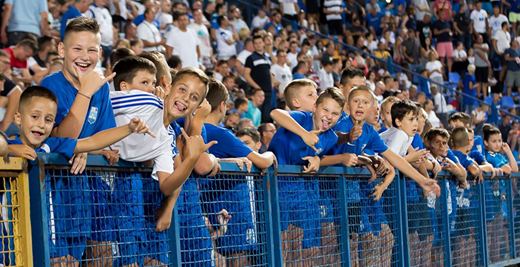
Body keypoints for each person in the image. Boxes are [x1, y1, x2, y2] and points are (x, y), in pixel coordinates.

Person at [8, 86, 153, 266]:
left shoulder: (52, 145)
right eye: (34, 117)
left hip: (45, 234)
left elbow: (91, 142)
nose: (40, 124)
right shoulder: (7, 146)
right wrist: (9, 149)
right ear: (18, 118)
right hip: (11, 237)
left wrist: (129, 128)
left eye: (48, 120)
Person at [40, 17, 119, 266]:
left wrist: (89, 147)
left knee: (103, 256)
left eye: (91, 50)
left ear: (100, 53)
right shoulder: (50, 85)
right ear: (62, 50)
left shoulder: (102, 88)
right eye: (77, 49)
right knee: (64, 261)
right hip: (60, 190)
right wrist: (85, 92)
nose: (85, 56)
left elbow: (109, 144)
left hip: (92, 188)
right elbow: (62, 138)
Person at [203, 79, 276, 267]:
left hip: (206, 206)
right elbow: (260, 161)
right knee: (237, 258)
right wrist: (270, 153)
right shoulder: (221, 133)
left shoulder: (193, 129)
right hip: (229, 210)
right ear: (222, 105)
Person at [269, 87, 344, 265]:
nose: (329, 116)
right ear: (315, 107)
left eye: (335, 113)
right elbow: (275, 113)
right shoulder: (302, 118)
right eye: (325, 110)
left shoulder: (331, 137)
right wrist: (304, 133)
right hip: (277, 187)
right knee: (281, 246)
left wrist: (318, 159)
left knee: (305, 247)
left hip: (304, 191)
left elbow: (322, 157)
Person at [482, 124, 518, 262]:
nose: (497, 144)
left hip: (498, 200)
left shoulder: (498, 155)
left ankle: (495, 261)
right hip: (490, 200)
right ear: (486, 142)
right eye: (494, 141)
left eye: (499, 141)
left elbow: (514, 168)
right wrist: (507, 160)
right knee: (490, 235)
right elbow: (510, 170)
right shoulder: (490, 156)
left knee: (496, 236)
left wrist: (508, 151)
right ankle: (489, 261)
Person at [244, 35, 273, 123]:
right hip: (257, 93)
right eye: (255, 43)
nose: (258, 45)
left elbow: (270, 73)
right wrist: (257, 88)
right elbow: (246, 75)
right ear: (253, 45)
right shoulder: (250, 58)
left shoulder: (267, 57)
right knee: (256, 117)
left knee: (266, 117)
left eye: (260, 43)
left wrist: (272, 85)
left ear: (263, 43)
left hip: (268, 91)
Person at [84, 0, 113, 67]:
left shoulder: (106, 10)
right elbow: (87, 26)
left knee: (106, 67)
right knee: (98, 66)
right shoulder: (90, 9)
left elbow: (110, 26)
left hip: (109, 44)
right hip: (99, 43)